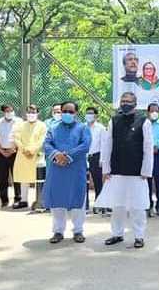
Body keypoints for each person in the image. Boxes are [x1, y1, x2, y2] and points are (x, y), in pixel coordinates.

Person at [97, 92, 154, 249]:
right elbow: (107, 144)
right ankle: (117, 234)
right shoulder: (114, 120)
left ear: (135, 103)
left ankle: (139, 236)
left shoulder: (144, 121)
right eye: (123, 101)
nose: (125, 103)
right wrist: (106, 168)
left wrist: (146, 171)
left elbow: (148, 148)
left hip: (137, 173)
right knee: (118, 205)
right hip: (117, 170)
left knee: (137, 206)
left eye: (128, 101)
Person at [44, 102, 91, 244]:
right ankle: (58, 231)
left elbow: (85, 145)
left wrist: (68, 156)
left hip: (76, 169)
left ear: (76, 113)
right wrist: (56, 154)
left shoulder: (83, 128)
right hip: (57, 169)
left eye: (71, 112)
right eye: (64, 111)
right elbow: (46, 144)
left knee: (77, 200)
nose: (67, 114)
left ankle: (78, 231)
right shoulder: (53, 128)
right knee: (57, 201)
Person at [12, 105, 47, 210]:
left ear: (37, 113)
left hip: (36, 155)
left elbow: (42, 140)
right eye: (29, 112)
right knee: (23, 178)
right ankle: (23, 200)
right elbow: (16, 139)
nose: (31, 114)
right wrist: (24, 149)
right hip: (23, 154)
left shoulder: (42, 125)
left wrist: (32, 150)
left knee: (38, 178)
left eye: (33, 112)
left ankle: (39, 199)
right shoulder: (20, 125)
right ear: (26, 113)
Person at [0, 104, 22, 207]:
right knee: (2, 177)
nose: (10, 112)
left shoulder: (19, 121)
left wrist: (14, 149)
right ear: (4, 112)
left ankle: (18, 198)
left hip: (15, 152)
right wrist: (1, 150)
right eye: (7, 111)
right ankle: (4, 199)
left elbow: (21, 136)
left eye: (11, 110)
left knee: (17, 176)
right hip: (2, 152)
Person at [85, 107, 106, 210]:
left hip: (96, 156)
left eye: (91, 113)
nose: (89, 115)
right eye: (87, 113)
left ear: (96, 116)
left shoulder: (101, 128)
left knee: (98, 182)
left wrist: (102, 159)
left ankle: (99, 204)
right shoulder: (82, 127)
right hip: (84, 157)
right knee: (84, 181)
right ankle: (85, 204)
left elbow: (103, 144)